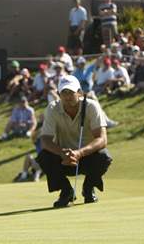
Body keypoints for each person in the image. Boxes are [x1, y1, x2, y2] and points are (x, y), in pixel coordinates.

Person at [36, 75, 112, 208]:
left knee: (104, 156)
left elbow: (102, 139)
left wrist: (79, 153)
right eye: (63, 93)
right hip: (64, 159)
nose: (67, 96)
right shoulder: (52, 108)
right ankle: (66, 192)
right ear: (59, 94)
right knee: (44, 157)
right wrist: (61, 153)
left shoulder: (91, 106)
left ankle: (88, 188)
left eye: (71, 92)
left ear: (79, 93)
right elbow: (45, 140)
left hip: (87, 157)